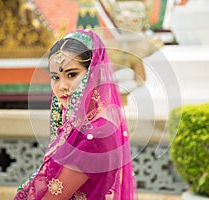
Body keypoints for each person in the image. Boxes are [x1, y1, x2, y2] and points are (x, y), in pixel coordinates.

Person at [14, 29, 137, 200]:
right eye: (55, 77)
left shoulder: (96, 134)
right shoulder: (76, 125)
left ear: (94, 74)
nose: (62, 86)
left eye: (71, 74)